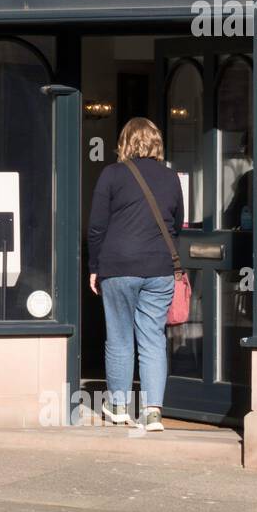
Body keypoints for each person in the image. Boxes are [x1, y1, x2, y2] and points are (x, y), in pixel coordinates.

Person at [87, 117, 184, 432]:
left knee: (119, 337)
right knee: (153, 338)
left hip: (118, 266)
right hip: (159, 268)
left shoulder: (112, 175)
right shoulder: (171, 178)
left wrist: (94, 267)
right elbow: (177, 223)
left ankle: (117, 407)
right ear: (156, 142)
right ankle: (153, 412)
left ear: (124, 142)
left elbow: (97, 226)